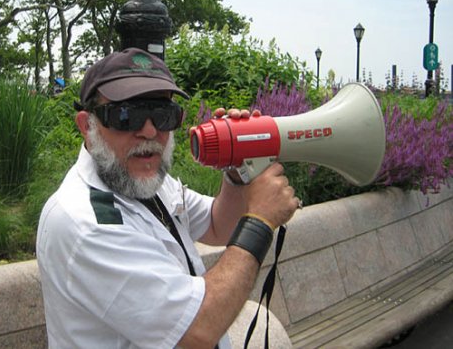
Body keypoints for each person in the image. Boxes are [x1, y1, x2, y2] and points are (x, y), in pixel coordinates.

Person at [36, 47, 299, 348]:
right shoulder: (83, 222)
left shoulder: (144, 180)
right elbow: (197, 328)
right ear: (87, 126)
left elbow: (217, 225)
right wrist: (260, 221)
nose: (149, 131)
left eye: (163, 115)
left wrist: (238, 173)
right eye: (126, 115)